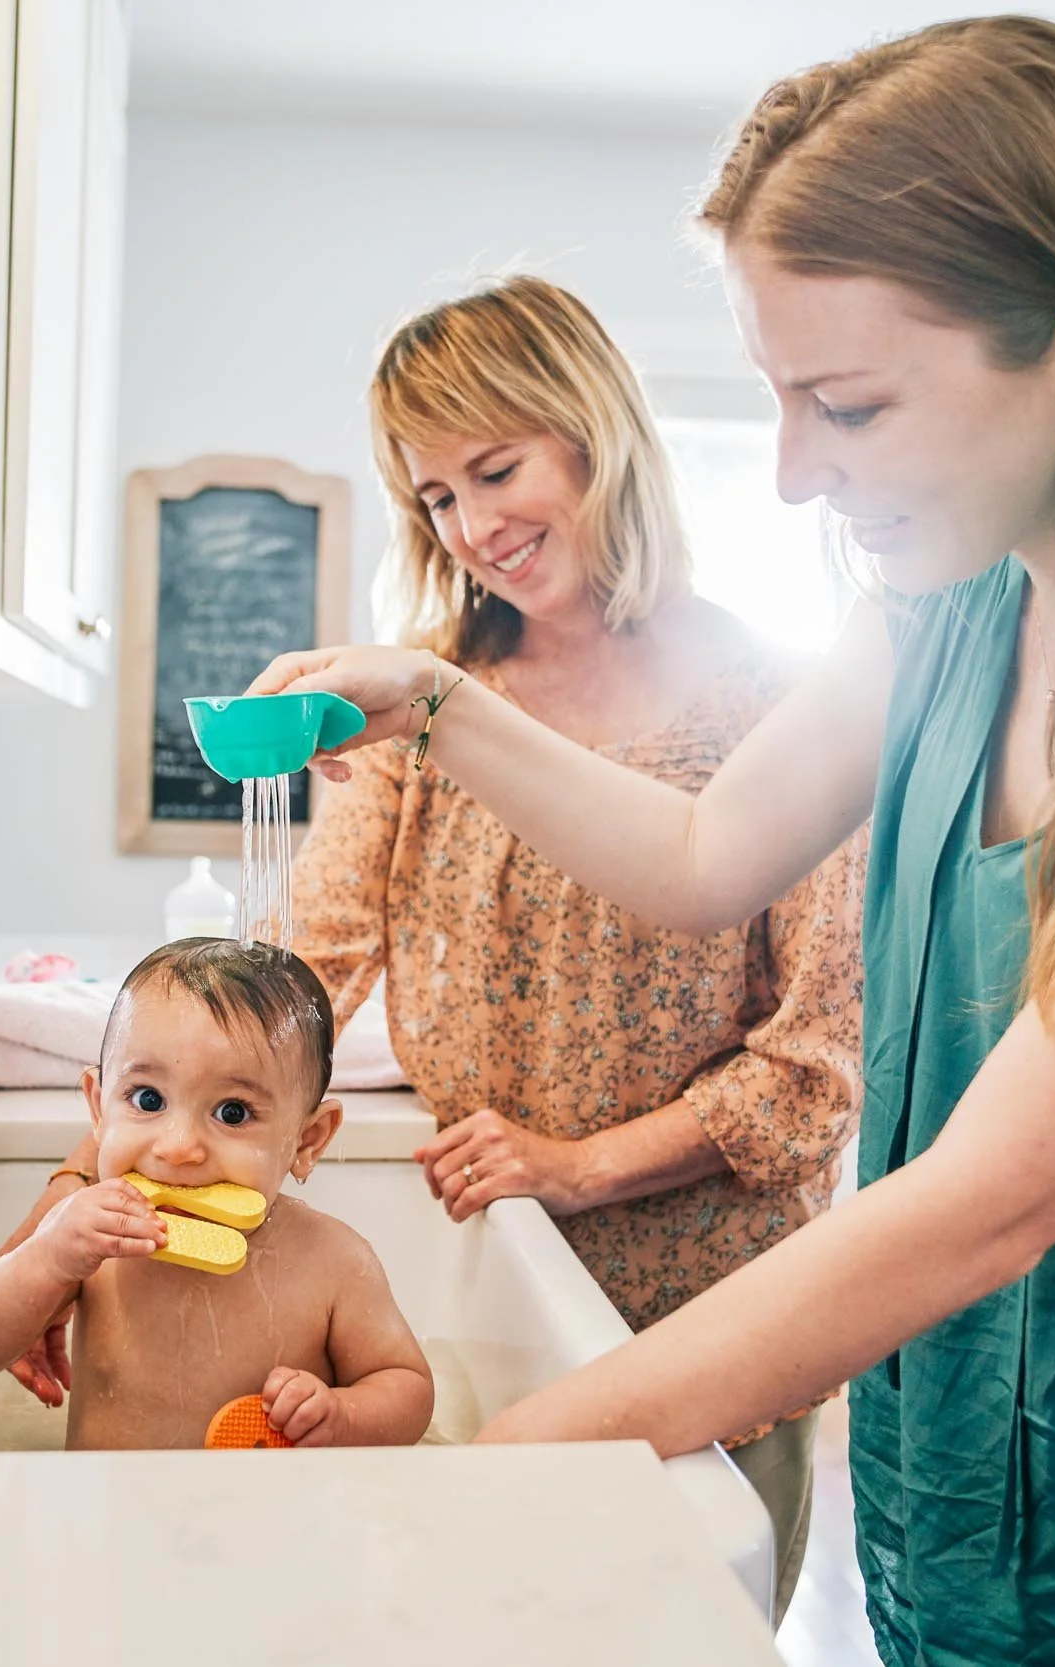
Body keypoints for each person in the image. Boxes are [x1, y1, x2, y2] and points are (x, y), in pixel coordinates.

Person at [254, 18, 1055, 1664]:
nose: (788, 476)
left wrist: (489, 1473)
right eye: (780, 400)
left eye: (843, 405)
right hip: (955, 1537)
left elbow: (1002, 1193)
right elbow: (704, 854)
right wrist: (433, 704)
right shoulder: (947, 608)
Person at [293, 274, 868, 1620]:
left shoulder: (783, 707)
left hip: (721, 1309)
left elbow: (816, 1062)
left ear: (596, 431)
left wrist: (582, 1166)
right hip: (492, 1289)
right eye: (436, 496)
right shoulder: (421, 708)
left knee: (686, 1631)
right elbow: (307, 971)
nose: (475, 526)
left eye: (497, 468)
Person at [0, 939, 435, 1450]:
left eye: (233, 1113)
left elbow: (407, 1386)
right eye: (148, 1100)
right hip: (113, 1517)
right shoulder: (88, 1241)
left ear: (306, 1140)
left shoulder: (331, 1261)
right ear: (98, 1108)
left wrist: (343, 1415)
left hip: (270, 1522)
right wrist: (46, 1261)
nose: (178, 1148)